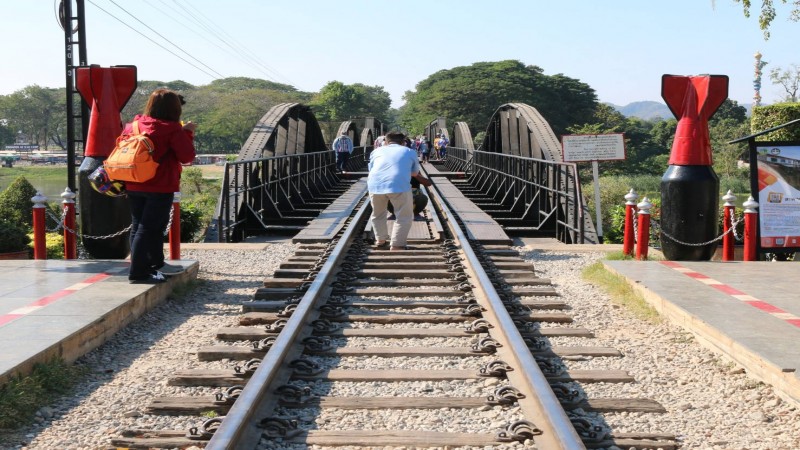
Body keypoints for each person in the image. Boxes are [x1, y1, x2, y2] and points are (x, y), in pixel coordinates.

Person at [124, 88, 196, 283]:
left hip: (134, 181)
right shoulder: (171, 129)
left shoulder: (134, 126)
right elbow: (187, 156)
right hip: (160, 184)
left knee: (139, 226)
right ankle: (139, 273)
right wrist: (187, 133)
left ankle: (155, 264)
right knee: (150, 228)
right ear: (174, 109)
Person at [368, 131, 432, 250]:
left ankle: (380, 240)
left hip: (375, 185)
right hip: (398, 186)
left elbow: (371, 169)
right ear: (403, 142)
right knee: (404, 215)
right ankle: (397, 245)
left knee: (377, 214)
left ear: (386, 142)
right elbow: (414, 173)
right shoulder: (409, 151)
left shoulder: (375, 151)